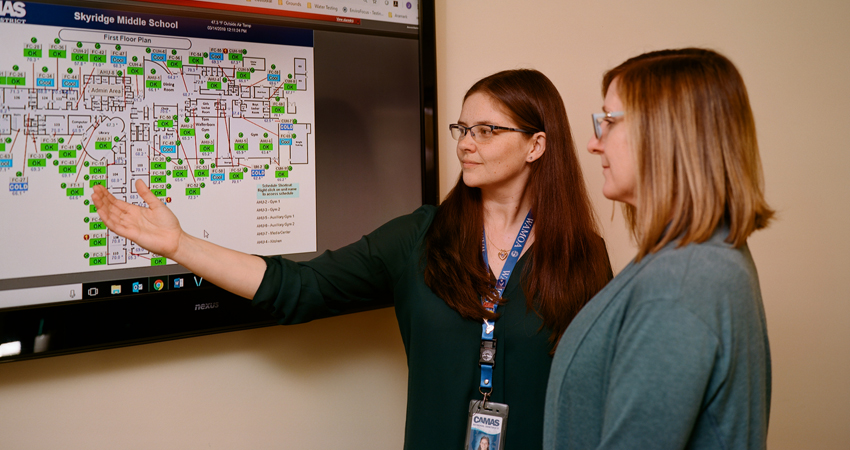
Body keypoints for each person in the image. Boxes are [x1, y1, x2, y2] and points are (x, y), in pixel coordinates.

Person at [92, 69, 612, 449]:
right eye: (462, 129)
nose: (466, 145)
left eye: (486, 131)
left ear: (536, 145)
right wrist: (180, 245)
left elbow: (596, 390)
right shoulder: (420, 237)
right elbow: (298, 286)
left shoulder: (583, 256)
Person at [544, 48, 774, 449]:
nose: (593, 143)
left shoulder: (681, 280)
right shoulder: (705, 256)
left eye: (609, 122)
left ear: (666, 130)